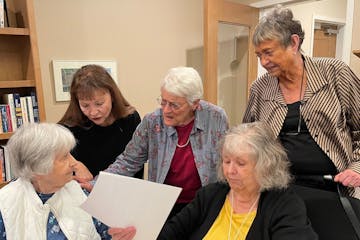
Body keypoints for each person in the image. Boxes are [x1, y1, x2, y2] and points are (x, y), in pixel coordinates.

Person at [109, 122, 317, 240]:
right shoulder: (211, 195)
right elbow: (171, 233)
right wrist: (139, 235)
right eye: (226, 161)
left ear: (266, 164)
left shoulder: (284, 204)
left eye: (241, 163)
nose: (230, 171)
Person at [80, 66, 229, 218]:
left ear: (195, 104)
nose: (166, 110)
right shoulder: (152, 122)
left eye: (174, 105)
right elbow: (128, 161)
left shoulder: (215, 117)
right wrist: (97, 183)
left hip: (205, 204)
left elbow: (226, 160)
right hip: (165, 206)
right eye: (163, 102)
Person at [242, 6, 360, 197]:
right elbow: (248, 139)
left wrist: (357, 167)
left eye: (269, 52)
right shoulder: (260, 88)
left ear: (294, 43)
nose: (263, 62)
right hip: (277, 190)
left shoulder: (335, 73)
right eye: (259, 55)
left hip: (332, 189)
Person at [0, 123, 137, 239]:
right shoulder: (6, 203)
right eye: (64, 157)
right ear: (37, 168)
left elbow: (106, 234)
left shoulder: (82, 193)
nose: (74, 163)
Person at [58, 64, 144, 179]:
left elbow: (136, 162)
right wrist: (76, 166)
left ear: (112, 96)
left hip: (125, 189)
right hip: (84, 192)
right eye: (85, 105)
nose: (93, 112)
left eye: (99, 104)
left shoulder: (130, 119)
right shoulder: (68, 128)